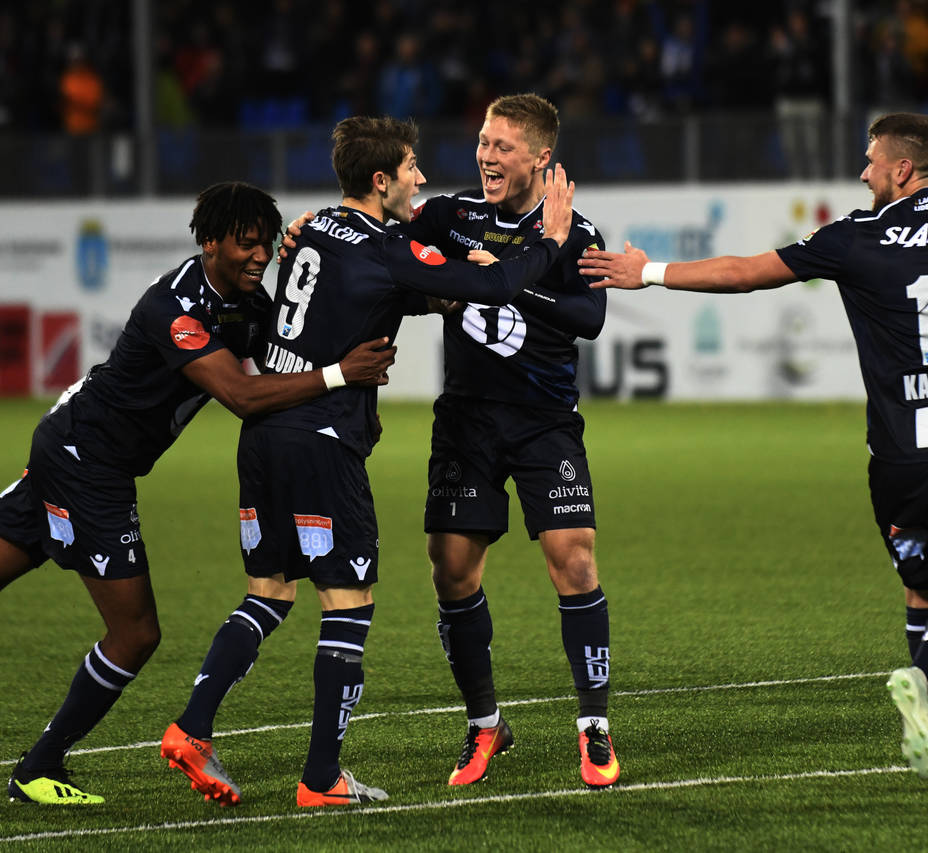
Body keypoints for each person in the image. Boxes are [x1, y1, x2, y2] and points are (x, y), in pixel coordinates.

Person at [579, 112, 928, 791]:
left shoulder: (856, 237)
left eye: (871, 161)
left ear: (902, 171)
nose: (862, 173)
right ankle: (927, 687)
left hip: (901, 459)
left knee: (922, 595)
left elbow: (746, 273)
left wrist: (650, 272)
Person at [159, 116, 577, 807]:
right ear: (380, 180)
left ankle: (192, 727)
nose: (421, 177)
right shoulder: (385, 246)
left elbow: (379, 296)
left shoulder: (315, 227)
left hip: (264, 435)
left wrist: (437, 294)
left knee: (269, 591)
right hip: (320, 442)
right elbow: (495, 290)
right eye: (412, 167)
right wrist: (551, 241)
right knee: (348, 604)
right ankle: (321, 778)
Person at [0, 181, 395, 805]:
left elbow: (292, 343)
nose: (259, 257)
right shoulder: (174, 307)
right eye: (246, 246)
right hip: (89, 465)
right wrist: (343, 374)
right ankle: (37, 768)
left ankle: (42, 766)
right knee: (135, 636)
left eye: (266, 245)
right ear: (209, 242)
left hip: (72, 449)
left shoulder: (240, 299)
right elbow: (241, 395)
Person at [397, 93, 617, 788]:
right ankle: (486, 724)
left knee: (573, 560)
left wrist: (499, 282)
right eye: (484, 143)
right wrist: (312, 228)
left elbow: (589, 316)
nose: (485, 157)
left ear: (540, 157)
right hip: (466, 420)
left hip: (544, 420)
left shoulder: (577, 233)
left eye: (502, 147)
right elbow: (382, 242)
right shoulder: (450, 216)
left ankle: (594, 727)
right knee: (451, 570)